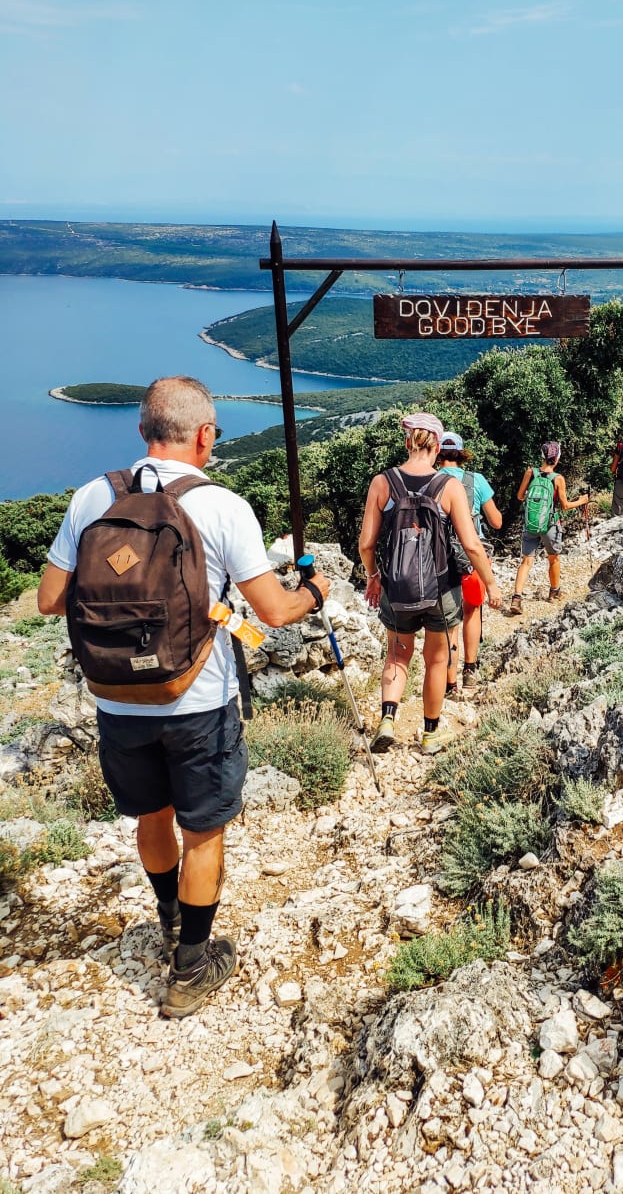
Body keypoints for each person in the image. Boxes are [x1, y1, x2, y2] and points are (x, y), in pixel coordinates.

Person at [36, 376, 332, 1020]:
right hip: (197, 701)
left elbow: (49, 599)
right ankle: (191, 966)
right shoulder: (223, 506)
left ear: (143, 430)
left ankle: (168, 918)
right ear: (203, 436)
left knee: (151, 817)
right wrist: (317, 594)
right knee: (203, 831)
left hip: (116, 700)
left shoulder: (92, 497)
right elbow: (274, 612)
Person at [359, 414, 501, 755]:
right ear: (436, 446)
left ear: (408, 443)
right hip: (440, 589)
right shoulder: (448, 487)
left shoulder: (383, 483)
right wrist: (491, 584)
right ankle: (430, 734)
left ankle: (388, 718)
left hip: (396, 587)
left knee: (397, 656)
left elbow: (366, 543)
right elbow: (471, 544)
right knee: (437, 660)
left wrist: (374, 576)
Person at [436, 431, 502, 698]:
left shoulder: (430, 480)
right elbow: (496, 521)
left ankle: (450, 684)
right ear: (461, 454)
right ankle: (470, 671)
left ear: (438, 453)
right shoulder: (477, 480)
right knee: (472, 611)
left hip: (440, 560)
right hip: (474, 558)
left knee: (450, 620)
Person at [509, 441, 589, 615]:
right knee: (553, 558)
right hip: (550, 525)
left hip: (530, 523)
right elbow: (565, 505)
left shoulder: (531, 472)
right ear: (558, 458)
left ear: (542, 456)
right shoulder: (558, 479)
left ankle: (516, 598)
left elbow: (520, 496)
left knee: (526, 561)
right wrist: (582, 501)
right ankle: (554, 591)